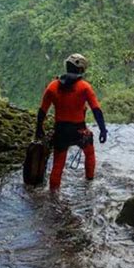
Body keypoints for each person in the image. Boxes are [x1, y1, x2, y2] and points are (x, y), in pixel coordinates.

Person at [35, 53, 107, 190]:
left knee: (58, 164)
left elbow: (42, 111)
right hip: (79, 130)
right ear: (81, 70)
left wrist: (39, 128)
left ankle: (53, 195)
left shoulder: (52, 86)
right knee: (89, 153)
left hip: (61, 131)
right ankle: (89, 183)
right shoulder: (85, 87)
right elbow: (96, 110)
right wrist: (103, 130)